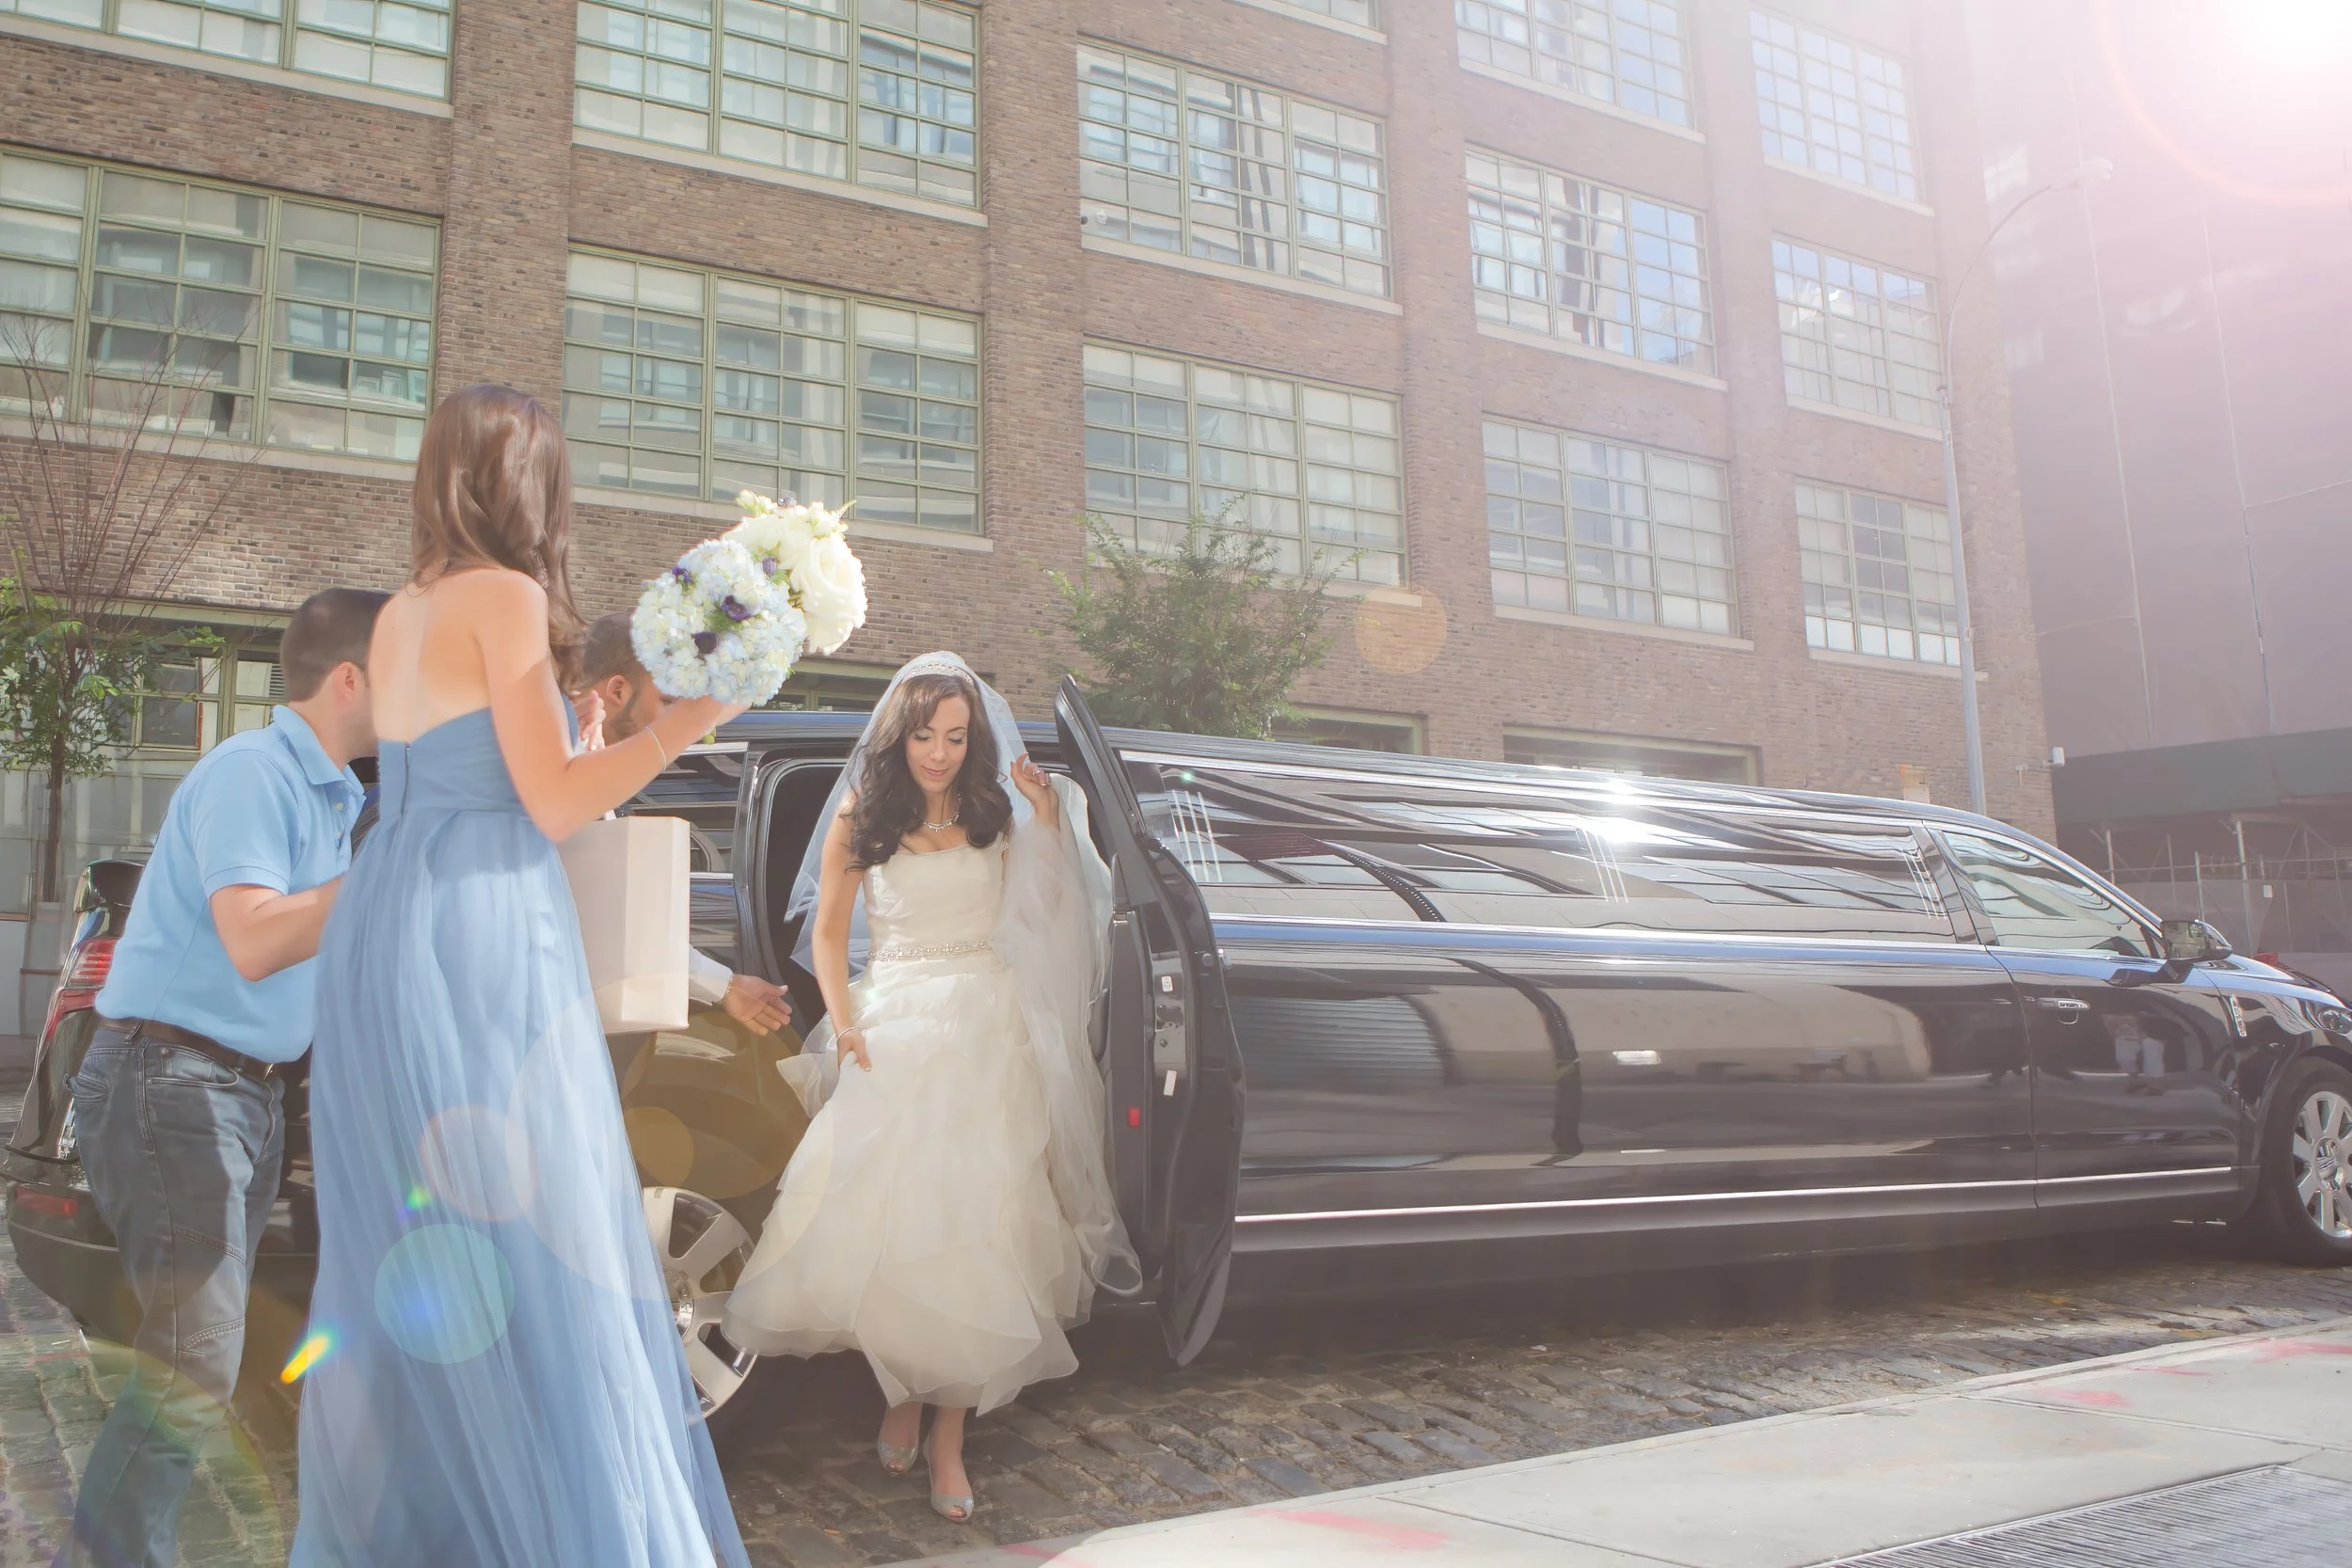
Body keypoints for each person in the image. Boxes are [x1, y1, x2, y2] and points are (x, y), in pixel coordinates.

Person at [288, 385, 750, 1567]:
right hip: (482, 922)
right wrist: (687, 724)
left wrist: (583, 737)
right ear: (526, 481)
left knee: (421, 1242)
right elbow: (542, 805)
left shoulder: (402, 610)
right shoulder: (504, 595)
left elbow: (465, 774)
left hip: (396, 916)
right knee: (544, 1234)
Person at [723, 653, 1138, 1524]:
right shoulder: (860, 818)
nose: (941, 752)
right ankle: (900, 1392)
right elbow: (830, 936)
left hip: (990, 1032)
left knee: (980, 1231)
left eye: (956, 736)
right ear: (899, 734)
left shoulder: (1000, 818)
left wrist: (1053, 819)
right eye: (925, 734)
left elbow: (1053, 912)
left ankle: (947, 1432)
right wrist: (843, 1023)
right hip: (895, 1029)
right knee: (900, 1230)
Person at [59, 587, 385, 1568]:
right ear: (350, 678)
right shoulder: (255, 771)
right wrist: (385, 869)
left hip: (232, 1091)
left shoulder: (338, 792)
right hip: (174, 1078)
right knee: (189, 1356)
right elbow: (253, 939)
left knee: (192, 1354)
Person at [573, 610, 791, 1037]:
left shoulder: (590, 771)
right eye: (669, 703)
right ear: (617, 689)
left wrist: (724, 985)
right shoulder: (568, 774)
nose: (677, 726)